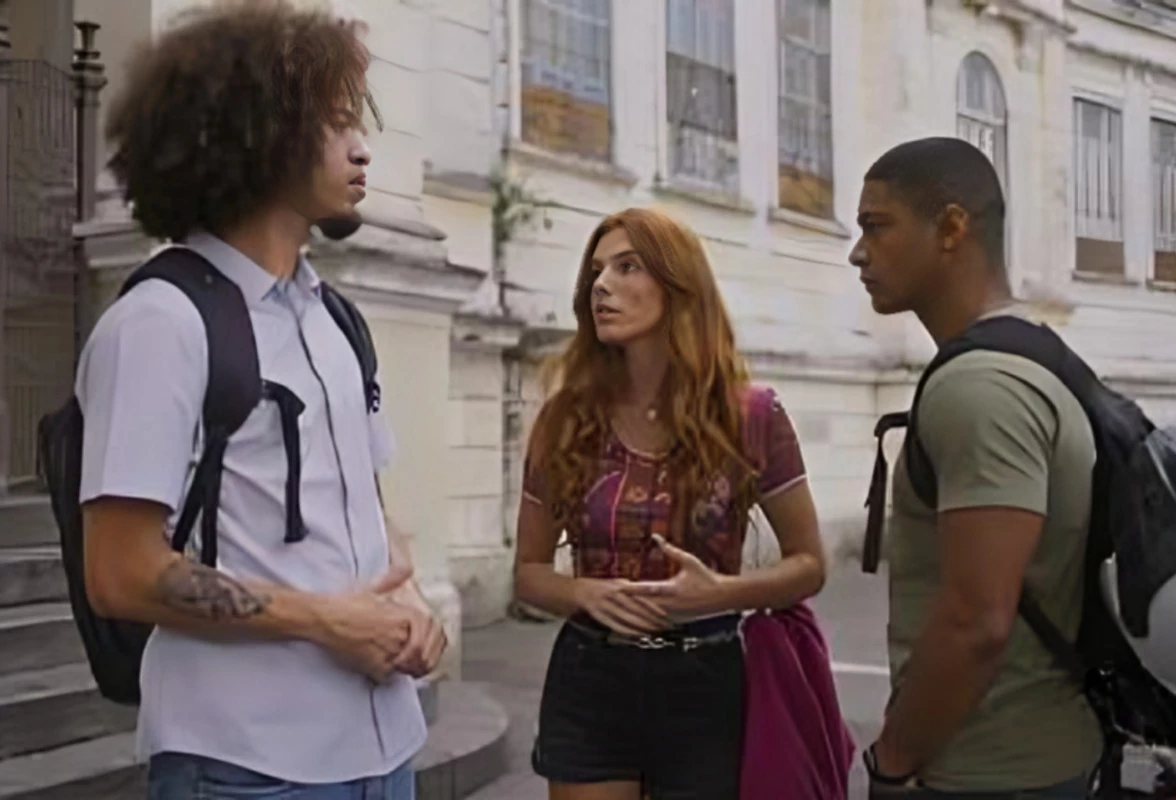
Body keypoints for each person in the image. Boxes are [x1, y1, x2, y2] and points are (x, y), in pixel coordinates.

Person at [77, 4, 445, 798]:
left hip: (385, 751)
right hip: (246, 766)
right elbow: (119, 572)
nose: (362, 146)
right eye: (336, 122)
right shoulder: (158, 324)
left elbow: (369, 511)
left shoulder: (334, 319)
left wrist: (408, 600)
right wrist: (327, 620)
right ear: (256, 134)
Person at [513, 207, 827, 799]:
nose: (601, 285)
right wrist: (583, 592)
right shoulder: (565, 418)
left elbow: (809, 565)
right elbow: (528, 573)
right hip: (592, 677)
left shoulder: (752, 416)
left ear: (678, 286)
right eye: (596, 271)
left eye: (627, 267)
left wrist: (721, 593)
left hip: (706, 680)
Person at [850, 137, 1102, 798]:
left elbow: (976, 621)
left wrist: (892, 761)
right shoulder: (1037, 354)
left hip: (989, 770)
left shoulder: (980, 388)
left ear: (952, 228)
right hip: (1042, 756)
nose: (858, 252)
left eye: (876, 226)